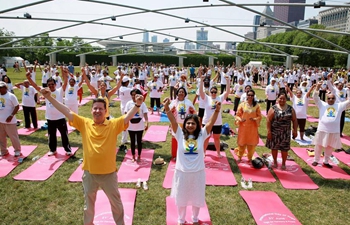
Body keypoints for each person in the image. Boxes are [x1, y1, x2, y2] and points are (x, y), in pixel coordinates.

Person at [40, 86, 144, 225]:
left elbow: (127, 117)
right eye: (95, 108)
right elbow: (66, 110)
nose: (97, 111)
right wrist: (49, 97)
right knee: (88, 206)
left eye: (101, 108)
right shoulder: (85, 123)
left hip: (108, 174)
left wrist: (138, 104)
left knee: (116, 204)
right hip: (89, 174)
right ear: (91, 110)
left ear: (106, 111)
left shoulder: (113, 124)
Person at [164, 96, 220, 225]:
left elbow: (210, 123)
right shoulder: (179, 133)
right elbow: (173, 121)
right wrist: (167, 108)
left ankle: (195, 219)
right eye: (188, 123)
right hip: (182, 172)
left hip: (197, 172)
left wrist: (216, 111)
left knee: (197, 197)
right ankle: (181, 219)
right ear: (185, 124)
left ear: (198, 125)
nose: (190, 125)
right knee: (181, 198)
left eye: (193, 123)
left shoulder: (202, 134)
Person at [26, 70, 73, 156]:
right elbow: (35, 86)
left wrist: (66, 75)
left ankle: (68, 149)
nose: (51, 86)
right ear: (47, 85)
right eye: (49, 84)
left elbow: (65, 84)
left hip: (60, 117)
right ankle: (53, 150)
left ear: (55, 84)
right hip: (50, 118)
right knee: (51, 135)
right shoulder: (45, 92)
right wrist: (29, 78)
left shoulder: (59, 91)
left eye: (52, 84)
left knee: (64, 135)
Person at [311, 82, 350, 168]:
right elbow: (315, 97)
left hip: (333, 130)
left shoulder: (339, 106)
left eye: (332, 98)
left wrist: (349, 91)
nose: (331, 100)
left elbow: (349, 102)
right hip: (322, 129)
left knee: (329, 146)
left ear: (335, 99)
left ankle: (326, 161)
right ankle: (316, 160)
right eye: (329, 98)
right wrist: (317, 87)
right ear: (326, 99)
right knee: (318, 146)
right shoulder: (322, 104)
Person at [199, 71, 230, 158]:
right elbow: (201, 92)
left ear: (217, 92)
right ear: (209, 92)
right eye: (212, 91)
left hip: (217, 122)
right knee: (206, 138)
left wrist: (228, 81)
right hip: (207, 121)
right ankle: (204, 152)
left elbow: (227, 92)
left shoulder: (220, 98)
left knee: (217, 138)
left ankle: (218, 153)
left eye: (215, 92)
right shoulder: (206, 98)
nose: (213, 93)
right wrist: (201, 81)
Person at [266, 92, 298, 170]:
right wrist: (269, 131)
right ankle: (275, 161)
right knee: (274, 147)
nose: (282, 100)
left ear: (286, 99)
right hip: (274, 132)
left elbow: (294, 120)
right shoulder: (273, 108)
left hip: (285, 133)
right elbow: (268, 120)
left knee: (284, 149)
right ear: (278, 99)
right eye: (280, 98)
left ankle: (284, 163)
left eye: (283, 98)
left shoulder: (290, 109)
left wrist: (295, 130)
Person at [235, 89, 262, 162]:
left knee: (252, 144)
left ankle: (250, 158)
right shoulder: (242, 104)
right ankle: (239, 157)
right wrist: (240, 119)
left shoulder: (256, 106)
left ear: (254, 96)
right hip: (243, 127)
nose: (250, 96)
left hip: (252, 128)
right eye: (249, 95)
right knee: (242, 142)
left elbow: (259, 116)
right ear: (246, 95)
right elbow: (237, 115)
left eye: (252, 95)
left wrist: (255, 119)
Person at [124, 89, 149, 162]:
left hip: (139, 125)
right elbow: (125, 114)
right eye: (132, 95)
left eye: (135, 95)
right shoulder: (129, 103)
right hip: (131, 125)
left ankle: (139, 155)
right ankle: (133, 156)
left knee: (139, 141)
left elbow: (145, 113)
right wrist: (124, 124)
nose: (133, 96)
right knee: (132, 141)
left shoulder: (142, 104)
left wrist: (146, 122)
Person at [0, 81, 21, 157]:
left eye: (1, 87)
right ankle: (3, 151)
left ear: (5, 88)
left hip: (10, 121)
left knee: (13, 136)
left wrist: (11, 115)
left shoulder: (11, 96)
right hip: (1, 121)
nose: (0, 89)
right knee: (1, 137)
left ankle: (17, 150)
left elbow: (17, 106)